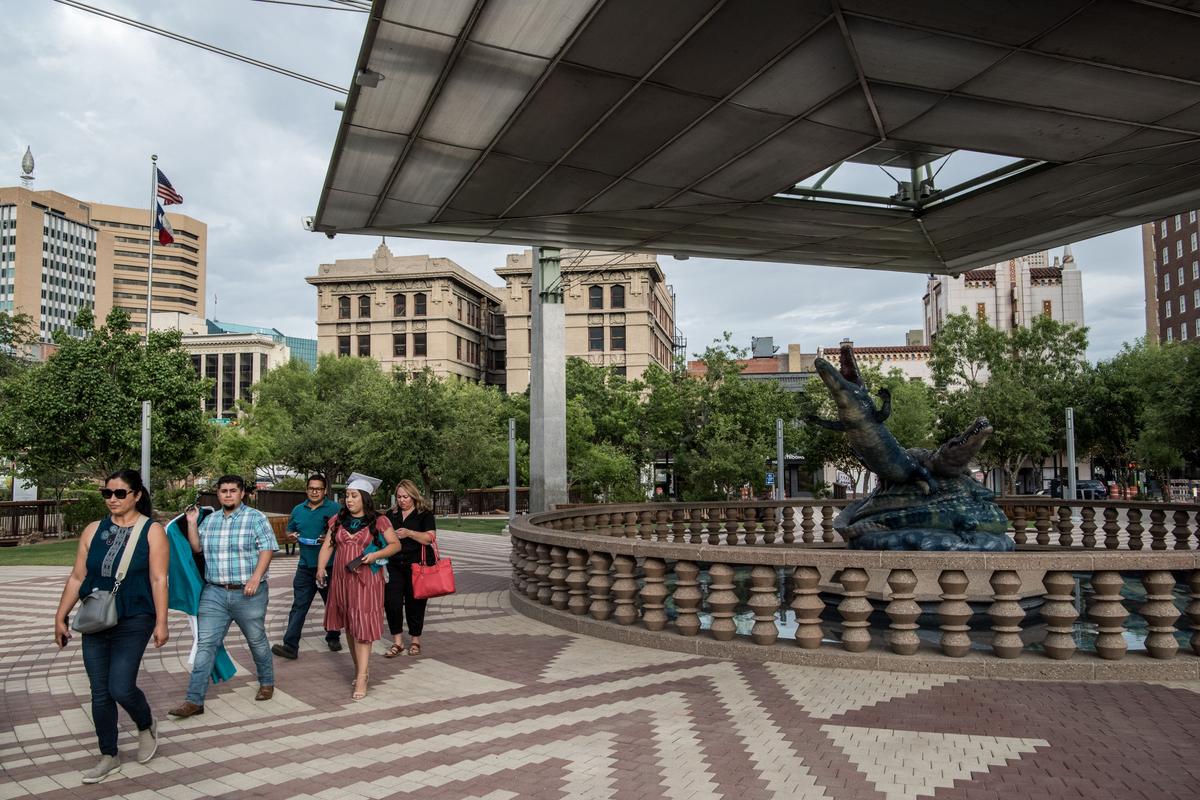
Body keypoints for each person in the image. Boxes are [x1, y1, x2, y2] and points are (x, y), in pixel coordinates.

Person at [53, 470, 169, 784]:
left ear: (137, 495)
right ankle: (109, 754)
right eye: (107, 494)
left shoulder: (152, 531)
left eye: (120, 493)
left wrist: (162, 622)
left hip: (135, 617)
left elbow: (159, 578)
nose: (113, 499)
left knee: (120, 686)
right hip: (96, 617)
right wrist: (60, 616)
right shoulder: (93, 530)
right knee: (100, 692)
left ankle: (145, 724)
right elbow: (77, 577)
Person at [168, 475, 278, 718]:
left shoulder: (255, 518)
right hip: (214, 593)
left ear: (242, 494)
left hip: (248, 593)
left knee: (256, 640)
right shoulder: (212, 520)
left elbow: (267, 549)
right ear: (218, 494)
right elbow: (197, 548)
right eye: (223, 491)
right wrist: (192, 522)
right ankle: (194, 700)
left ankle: (267, 682)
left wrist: (255, 578)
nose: (228, 495)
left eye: (233, 491)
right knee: (205, 644)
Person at [317, 473, 401, 700]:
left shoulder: (380, 521)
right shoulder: (337, 520)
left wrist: (375, 555)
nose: (349, 500)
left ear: (365, 498)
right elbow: (328, 545)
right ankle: (360, 669)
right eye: (347, 496)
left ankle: (362, 677)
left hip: (367, 581)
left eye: (354, 496)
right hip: (342, 580)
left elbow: (395, 545)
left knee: (362, 628)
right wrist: (321, 567)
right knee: (351, 628)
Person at [272, 475, 342, 659]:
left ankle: (333, 636)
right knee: (299, 606)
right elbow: (289, 529)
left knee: (332, 604)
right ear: (307, 489)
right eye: (311, 488)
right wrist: (290, 536)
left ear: (325, 490)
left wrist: (329, 537)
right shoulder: (298, 509)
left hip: (329, 566)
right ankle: (290, 645)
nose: (315, 491)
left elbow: (344, 532)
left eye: (319, 488)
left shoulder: (335, 509)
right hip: (304, 566)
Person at [382, 480, 436, 659]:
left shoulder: (424, 514)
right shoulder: (391, 514)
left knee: (416, 603)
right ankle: (397, 641)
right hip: (394, 565)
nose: (402, 500)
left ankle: (415, 639)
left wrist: (410, 533)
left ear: (413, 496)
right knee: (392, 603)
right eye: (399, 497)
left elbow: (430, 538)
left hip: (417, 566)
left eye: (405, 497)